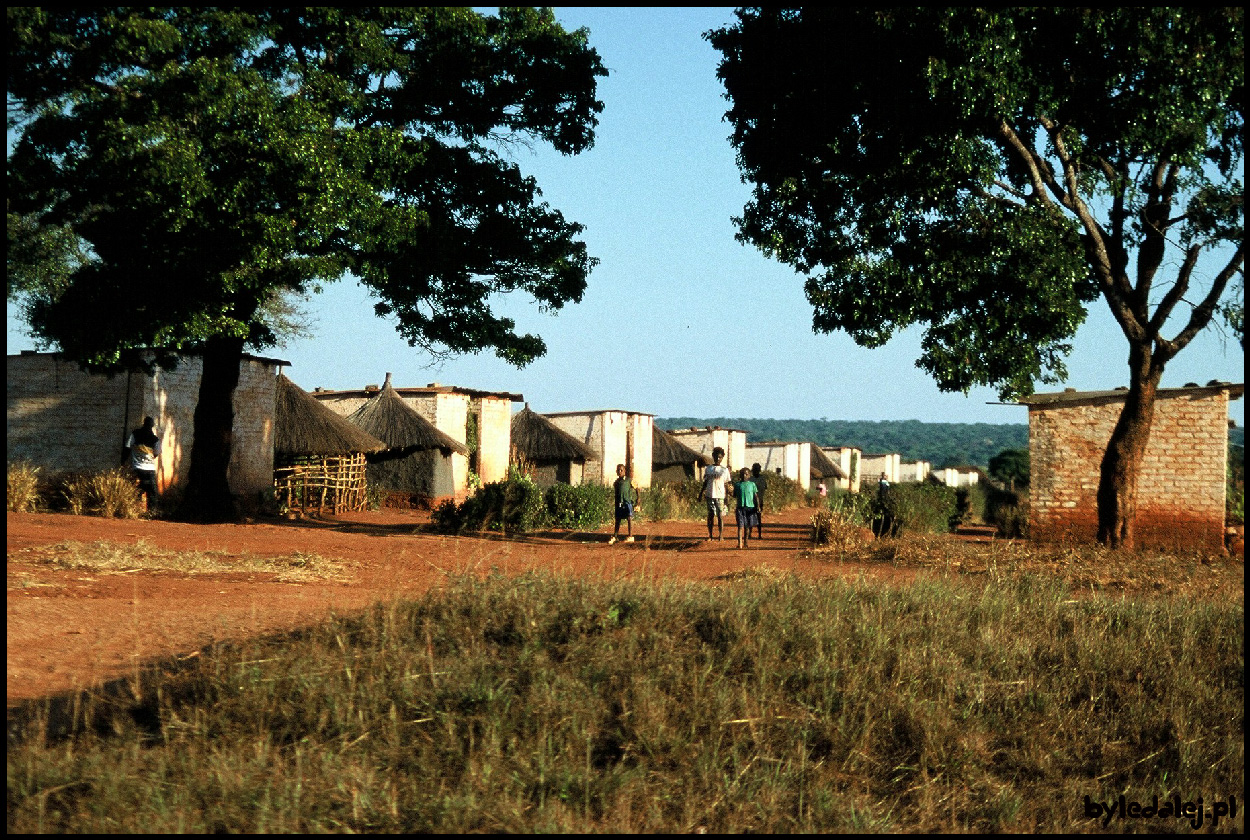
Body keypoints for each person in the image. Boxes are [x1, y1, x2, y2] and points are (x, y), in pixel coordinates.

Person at [124, 415, 162, 513]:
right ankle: (152, 512)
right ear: (152, 426)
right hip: (150, 469)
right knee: (152, 492)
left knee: (137, 490)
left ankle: (135, 510)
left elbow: (127, 447)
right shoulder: (155, 439)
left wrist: (123, 462)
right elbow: (156, 453)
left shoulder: (135, 434)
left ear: (144, 424)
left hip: (137, 468)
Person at [701, 446, 731, 541]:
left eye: (720, 457)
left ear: (722, 458)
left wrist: (727, 497)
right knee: (710, 516)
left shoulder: (724, 470)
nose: (718, 459)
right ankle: (710, 535)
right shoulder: (708, 469)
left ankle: (721, 535)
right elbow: (705, 482)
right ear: (713, 456)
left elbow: (726, 484)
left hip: (720, 496)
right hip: (710, 495)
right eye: (716, 457)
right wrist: (701, 493)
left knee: (720, 516)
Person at [731, 467, 760, 549]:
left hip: (750, 508)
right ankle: (740, 543)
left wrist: (758, 506)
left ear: (749, 475)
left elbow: (756, 496)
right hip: (740, 508)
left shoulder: (752, 484)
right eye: (742, 474)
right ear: (740, 475)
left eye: (746, 474)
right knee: (740, 526)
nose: (744, 476)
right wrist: (729, 491)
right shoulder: (737, 484)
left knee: (747, 527)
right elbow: (734, 495)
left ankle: (746, 542)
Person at [609, 463, 637, 544]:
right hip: (619, 503)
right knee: (618, 519)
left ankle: (630, 536)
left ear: (624, 471)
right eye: (618, 470)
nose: (620, 471)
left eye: (621, 470)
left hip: (627, 502)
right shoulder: (616, 482)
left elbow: (637, 488)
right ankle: (615, 536)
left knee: (629, 518)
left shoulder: (629, 480)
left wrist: (638, 500)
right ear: (616, 472)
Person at [750, 462, 768, 539]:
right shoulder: (762, 479)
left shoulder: (750, 479)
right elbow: (765, 487)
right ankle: (759, 535)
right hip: (760, 501)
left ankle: (749, 534)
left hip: (751, 501)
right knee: (758, 517)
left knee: (750, 517)